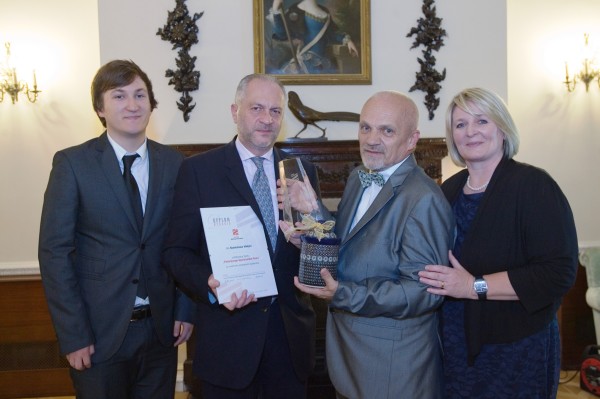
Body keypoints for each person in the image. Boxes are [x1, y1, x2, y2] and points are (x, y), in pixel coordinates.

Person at [38, 59, 194, 398]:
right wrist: (74, 335)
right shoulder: (72, 164)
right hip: (97, 334)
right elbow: (55, 255)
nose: (133, 105)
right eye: (119, 96)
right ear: (100, 108)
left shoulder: (175, 164)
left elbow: (186, 243)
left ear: (151, 104)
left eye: (140, 95)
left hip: (161, 331)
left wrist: (185, 309)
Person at [162, 73, 321, 399]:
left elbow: (318, 256)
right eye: (256, 108)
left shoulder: (300, 173)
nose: (266, 119)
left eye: (275, 111)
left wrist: (308, 233)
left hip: (289, 341)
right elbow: (176, 251)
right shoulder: (199, 171)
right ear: (235, 112)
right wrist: (209, 283)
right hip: (228, 340)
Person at [292, 91, 455, 399]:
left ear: (412, 140)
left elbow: (423, 293)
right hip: (350, 358)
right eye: (365, 127)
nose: (371, 139)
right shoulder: (358, 177)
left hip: (394, 369)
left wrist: (343, 294)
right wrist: (312, 219)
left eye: (387, 130)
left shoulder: (424, 200)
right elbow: (348, 244)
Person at [418, 87, 579, 398]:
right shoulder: (447, 191)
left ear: (502, 128)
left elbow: (558, 272)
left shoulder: (534, 186)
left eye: (481, 121)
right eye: (461, 125)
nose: (470, 132)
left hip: (515, 348)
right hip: (454, 346)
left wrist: (473, 286)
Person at [267, 0, 359, 74]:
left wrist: (347, 40)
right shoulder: (296, 10)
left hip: (323, 61)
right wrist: (276, 10)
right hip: (307, 61)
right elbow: (282, 33)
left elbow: (331, 34)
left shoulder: (324, 10)